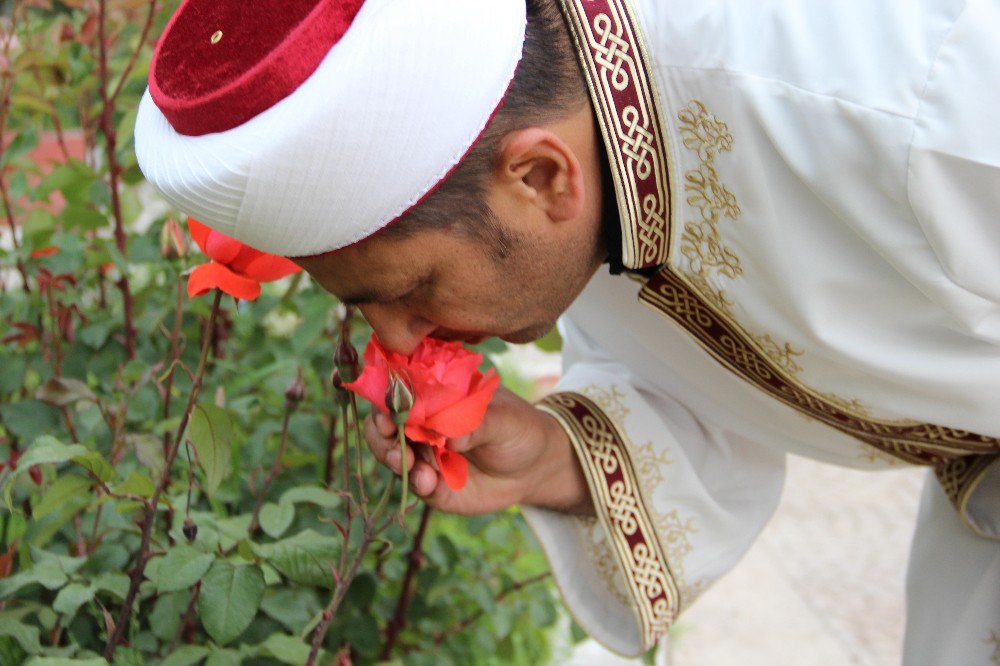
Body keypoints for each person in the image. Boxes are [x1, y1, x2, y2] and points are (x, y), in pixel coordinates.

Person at [135, 0, 1000, 663]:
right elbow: (701, 384)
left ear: (543, 175)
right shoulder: (579, 140)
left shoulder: (912, 93)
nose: (395, 346)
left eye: (407, 289)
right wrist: (551, 458)